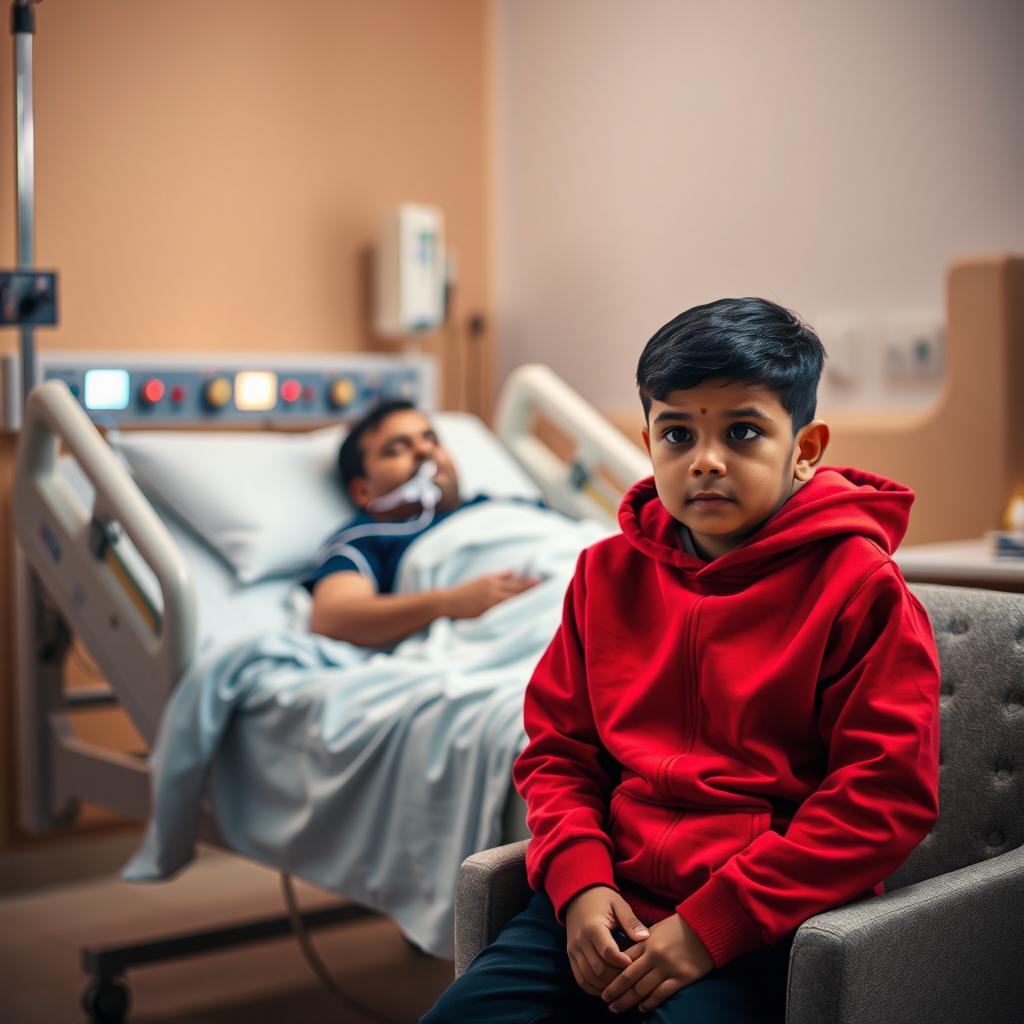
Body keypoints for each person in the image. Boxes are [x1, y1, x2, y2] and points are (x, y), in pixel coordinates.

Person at [422, 297, 940, 1023]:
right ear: (648, 441)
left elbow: (883, 797)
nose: (705, 459)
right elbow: (559, 753)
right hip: (603, 899)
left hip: (763, 920)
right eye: (676, 432)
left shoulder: (859, 589)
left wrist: (710, 928)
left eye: (743, 431)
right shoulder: (605, 577)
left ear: (806, 447)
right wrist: (577, 885)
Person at [301, 400, 540, 646]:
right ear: (363, 491)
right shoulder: (367, 538)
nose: (425, 451)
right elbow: (332, 618)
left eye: (432, 440)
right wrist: (449, 602)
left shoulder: (499, 504)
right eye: (397, 449)